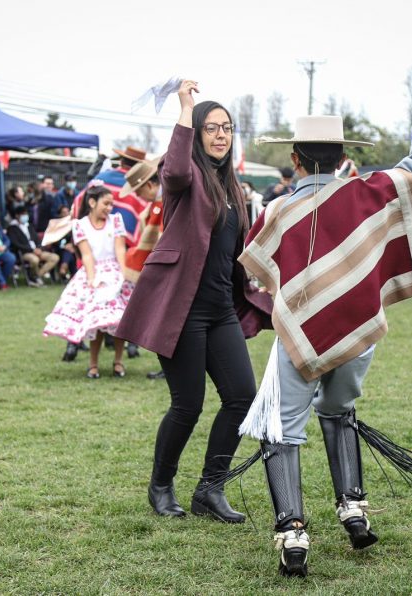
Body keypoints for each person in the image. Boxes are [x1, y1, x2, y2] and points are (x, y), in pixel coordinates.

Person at [233, 70, 412, 577]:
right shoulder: (367, 193)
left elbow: (256, 266)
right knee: (339, 407)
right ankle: (352, 509)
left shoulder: (278, 210)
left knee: (283, 427)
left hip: (299, 334)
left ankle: (292, 533)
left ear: (295, 159)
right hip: (358, 329)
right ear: (341, 155)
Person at [115, 80, 272, 523]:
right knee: (188, 404)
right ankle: (160, 486)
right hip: (181, 311)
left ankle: (210, 489)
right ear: (197, 134)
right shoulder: (183, 179)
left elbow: (237, 249)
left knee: (243, 396)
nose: (221, 135)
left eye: (227, 128)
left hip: (221, 309)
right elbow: (177, 169)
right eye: (211, 128)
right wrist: (185, 109)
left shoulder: (231, 187)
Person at [43, 185, 131, 377]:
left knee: (119, 321)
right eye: (106, 203)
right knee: (96, 322)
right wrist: (92, 280)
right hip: (94, 273)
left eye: (111, 204)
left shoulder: (115, 221)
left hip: (114, 272)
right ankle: (93, 364)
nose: (109, 208)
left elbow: (120, 249)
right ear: (92, 202)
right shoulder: (80, 225)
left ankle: (118, 361)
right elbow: (87, 255)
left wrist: (124, 275)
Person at [119, 157, 166, 378]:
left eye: (138, 191)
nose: (138, 197)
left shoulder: (164, 203)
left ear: (149, 185)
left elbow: (163, 241)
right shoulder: (159, 204)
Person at [7, 205, 59, 287]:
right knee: (34, 260)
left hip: (37, 250)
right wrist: (32, 250)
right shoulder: (12, 228)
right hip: (24, 252)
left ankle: (36, 276)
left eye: (26, 214)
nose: (25, 216)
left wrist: (38, 248)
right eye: (23, 214)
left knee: (54, 257)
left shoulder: (29, 226)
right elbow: (16, 244)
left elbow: (37, 239)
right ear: (17, 215)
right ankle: (35, 278)